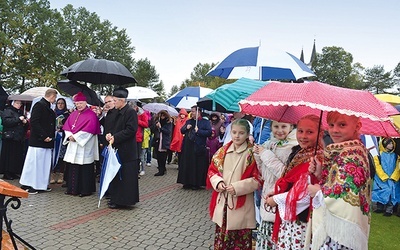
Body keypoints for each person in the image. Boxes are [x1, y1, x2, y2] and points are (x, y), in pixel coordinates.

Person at [308, 111, 371, 250]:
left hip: (340, 233)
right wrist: (320, 173)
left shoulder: (353, 154)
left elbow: (346, 192)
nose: (334, 130)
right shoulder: (341, 151)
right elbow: (336, 181)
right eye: (331, 125)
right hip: (335, 228)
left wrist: (318, 191)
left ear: (357, 126)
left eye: (342, 125)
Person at [264, 115, 324, 249]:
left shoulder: (317, 157)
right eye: (300, 131)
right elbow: (292, 181)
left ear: (320, 134)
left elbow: (303, 193)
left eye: (310, 132)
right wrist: (276, 192)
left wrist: (276, 199)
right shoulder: (299, 152)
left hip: (302, 220)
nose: (303, 136)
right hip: (291, 218)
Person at [206, 119, 262, 250]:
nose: (237, 136)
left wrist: (238, 187)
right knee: (222, 239)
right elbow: (212, 170)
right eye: (234, 132)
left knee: (240, 240)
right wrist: (218, 182)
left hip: (240, 204)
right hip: (223, 203)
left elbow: (258, 179)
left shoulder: (252, 153)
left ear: (248, 134)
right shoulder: (223, 151)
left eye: (241, 133)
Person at [253, 121, 297, 250]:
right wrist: (257, 155)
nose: (280, 130)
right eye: (276, 126)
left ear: (291, 127)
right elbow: (263, 173)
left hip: (280, 200)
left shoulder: (294, 147)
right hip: (266, 198)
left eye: (284, 126)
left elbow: (285, 174)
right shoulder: (269, 144)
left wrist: (265, 154)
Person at [104, 87, 139, 209]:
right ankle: (116, 199)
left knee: (126, 177)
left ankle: (125, 201)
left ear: (121, 100)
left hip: (127, 151)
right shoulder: (116, 112)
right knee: (116, 176)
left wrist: (116, 137)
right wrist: (109, 134)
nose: (113, 102)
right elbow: (112, 127)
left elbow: (131, 130)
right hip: (116, 148)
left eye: (115, 100)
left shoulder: (130, 112)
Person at [20, 88, 58, 194]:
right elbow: (35, 122)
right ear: (52, 96)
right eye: (55, 97)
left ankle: (41, 184)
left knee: (43, 164)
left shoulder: (47, 107)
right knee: (35, 164)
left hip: (45, 141)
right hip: (39, 141)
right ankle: (32, 184)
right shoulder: (40, 105)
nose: (55, 100)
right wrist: (44, 135)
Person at [62, 92, 101, 197]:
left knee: (84, 167)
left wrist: (76, 137)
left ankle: (85, 190)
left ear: (85, 103)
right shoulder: (73, 114)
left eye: (80, 103)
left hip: (84, 145)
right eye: (77, 103)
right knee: (72, 166)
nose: (79, 105)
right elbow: (67, 127)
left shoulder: (91, 115)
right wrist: (69, 135)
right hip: (73, 144)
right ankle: (72, 189)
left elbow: (90, 130)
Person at [177, 105, 212, 190]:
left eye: (193, 111)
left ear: (198, 112)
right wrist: (186, 127)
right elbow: (182, 130)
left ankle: (196, 183)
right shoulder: (189, 121)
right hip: (188, 146)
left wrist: (199, 131)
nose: (191, 113)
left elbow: (209, 132)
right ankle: (186, 182)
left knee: (197, 165)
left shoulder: (205, 122)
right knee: (187, 164)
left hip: (198, 146)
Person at [0, 100, 29, 179]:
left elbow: (25, 125)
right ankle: (7, 172)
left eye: (20, 103)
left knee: (16, 155)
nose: (19, 105)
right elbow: (6, 122)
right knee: (9, 155)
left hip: (18, 137)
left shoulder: (20, 112)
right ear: (13, 103)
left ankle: (13, 171)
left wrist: (25, 122)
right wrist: (19, 119)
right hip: (10, 137)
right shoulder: (8, 111)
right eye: (17, 103)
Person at [372, 137, 400, 216]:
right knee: (381, 191)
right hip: (381, 178)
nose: (391, 145)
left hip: (392, 179)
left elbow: (397, 167)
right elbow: (377, 166)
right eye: (389, 143)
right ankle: (380, 207)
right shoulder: (379, 155)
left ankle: (389, 210)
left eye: (392, 143)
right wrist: (383, 176)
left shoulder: (396, 156)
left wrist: (394, 176)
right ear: (384, 144)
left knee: (391, 193)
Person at [50, 98, 71, 184]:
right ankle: (53, 174)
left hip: (63, 137)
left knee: (62, 156)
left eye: (62, 103)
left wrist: (62, 128)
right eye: (58, 103)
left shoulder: (67, 114)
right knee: (54, 155)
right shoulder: (53, 113)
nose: (60, 105)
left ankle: (61, 174)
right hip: (54, 136)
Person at [151, 110, 172, 176]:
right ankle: (160, 169)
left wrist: (161, 127)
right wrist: (156, 126)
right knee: (158, 156)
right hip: (157, 140)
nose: (162, 117)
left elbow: (168, 131)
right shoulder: (157, 121)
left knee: (163, 156)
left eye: (163, 115)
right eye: (161, 115)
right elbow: (152, 129)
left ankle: (162, 170)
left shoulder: (168, 122)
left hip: (164, 141)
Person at [129, 101, 148, 176]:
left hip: (138, 137)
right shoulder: (129, 113)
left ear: (136, 107)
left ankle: (136, 171)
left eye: (133, 108)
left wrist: (137, 121)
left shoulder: (142, 113)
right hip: (130, 137)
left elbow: (146, 124)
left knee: (137, 156)